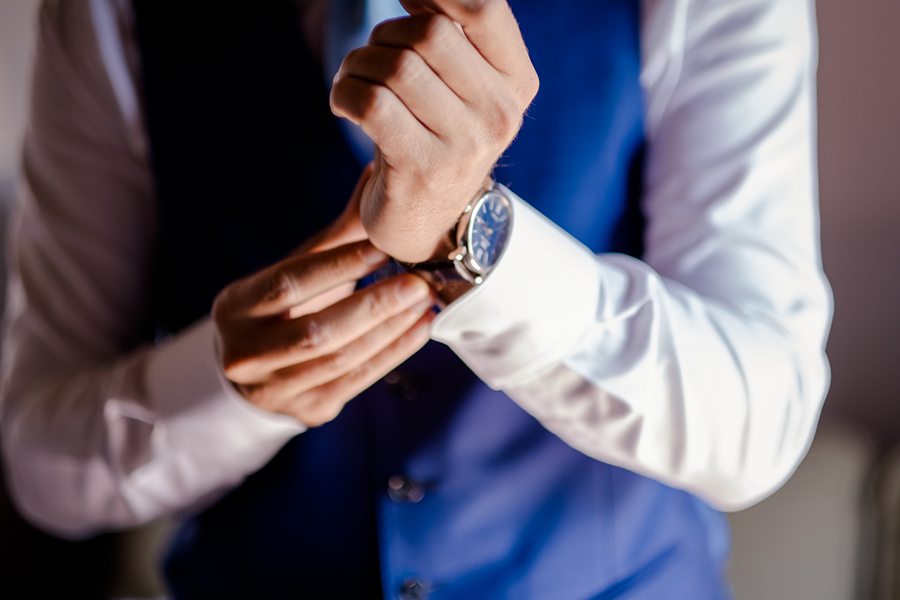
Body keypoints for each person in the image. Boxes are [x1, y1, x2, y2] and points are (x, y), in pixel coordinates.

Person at [0, 0, 832, 597]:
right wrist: (224, 389)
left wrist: (476, 245)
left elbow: (759, 426)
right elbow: (42, 457)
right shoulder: (105, 15)